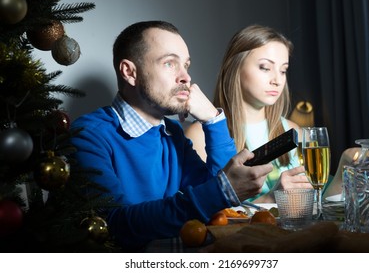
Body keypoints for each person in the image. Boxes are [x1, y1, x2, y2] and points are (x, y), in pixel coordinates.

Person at [69, 20, 273, 251]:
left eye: (186, 65)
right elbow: (113, 226)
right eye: (169, 63)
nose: (186, 77)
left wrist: (213, 120)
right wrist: (221, 191)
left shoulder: (171, 132)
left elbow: (215, 203)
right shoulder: (88, 135)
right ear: (130, 72)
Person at [185, 24, 312, 203]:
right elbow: (209, 217)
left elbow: (314, 206)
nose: (277, 80)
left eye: (283, 70)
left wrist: (342, 172)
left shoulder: (292, 129)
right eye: (265, 68)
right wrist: (272, 198)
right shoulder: (199, 135)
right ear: (236, 68)